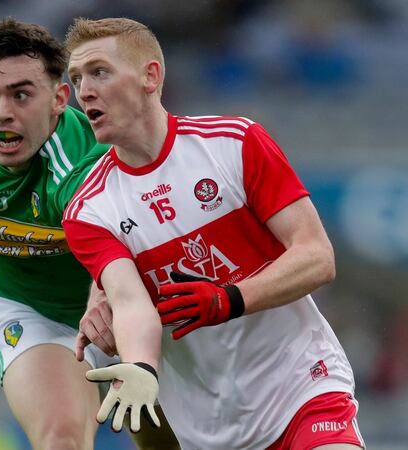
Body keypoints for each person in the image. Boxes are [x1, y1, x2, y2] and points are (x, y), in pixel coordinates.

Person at [62, 17, 365, 450]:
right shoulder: (88, 209)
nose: (84, 90)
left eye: (99, 72)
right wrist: (141, 369)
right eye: (76, 78)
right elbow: (129, 304)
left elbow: (317, 256)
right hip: (208, 429)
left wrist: (230, 298)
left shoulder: (234, 144)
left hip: (302, 388)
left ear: (151, 76)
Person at [0, 18, 178, 450]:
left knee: (172, 443)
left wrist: (106, 299)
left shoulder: (83, 165)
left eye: (21, 95)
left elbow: (110, 249)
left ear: (59, 99)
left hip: (129, 306)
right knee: (62, 439)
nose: (2, 113)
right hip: (32, 312)